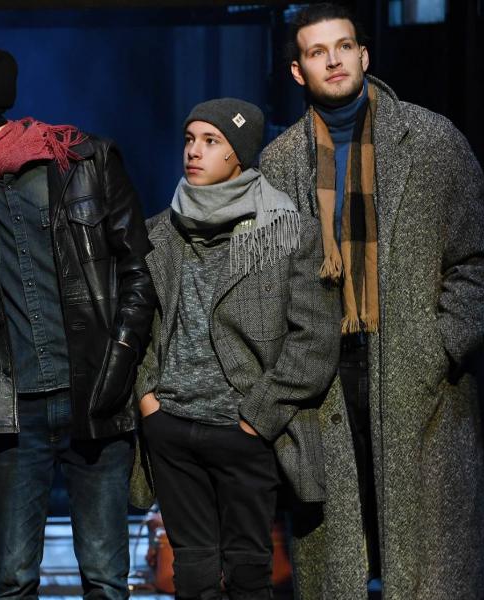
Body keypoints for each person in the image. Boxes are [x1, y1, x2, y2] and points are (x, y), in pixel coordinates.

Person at [260, 4, 484, 598]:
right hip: (325, 380)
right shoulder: (279, 163)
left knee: (428, 563)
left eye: (344, 47)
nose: (333, 60)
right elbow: (267, 283)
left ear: (364, 55)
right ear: (298, 71)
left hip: (418, 375)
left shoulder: (433, 141)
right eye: (317, 52)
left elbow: (473, 261)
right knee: (339, 560)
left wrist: (438, 347)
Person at [0, 49, 156, 598]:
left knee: (106, 578)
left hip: (94, 396)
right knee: (13, 578)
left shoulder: (83, 163)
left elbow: (138, 273)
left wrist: (118, 363)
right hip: (15, 411)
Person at [133, 98, 339, 600]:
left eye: (211, 141)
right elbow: (142, 325)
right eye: (190, 139)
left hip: (243, 429)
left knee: (248, 573)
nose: (194, 151)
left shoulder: (285, 231)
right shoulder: (161, 231)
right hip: (173, 424)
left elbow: (314, 339)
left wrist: (258, 417)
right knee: (192, 575)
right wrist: (148, 399)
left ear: (239, 154)